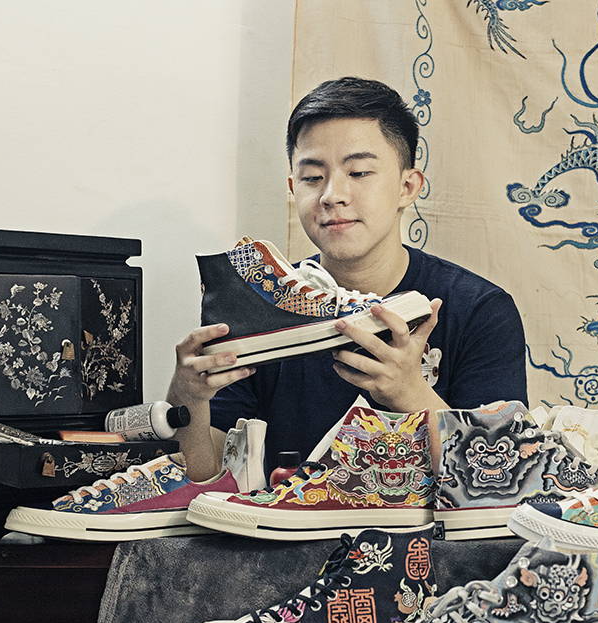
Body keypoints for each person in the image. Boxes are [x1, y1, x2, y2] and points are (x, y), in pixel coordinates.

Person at [167, 77, 527, 481]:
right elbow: (203, 476)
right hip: (282, 521)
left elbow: (505, 475)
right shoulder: (261, 308)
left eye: (358, 172)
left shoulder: (480, 311)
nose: (332, 195)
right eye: (312, 178)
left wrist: (410, 392)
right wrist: (187, 397)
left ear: (407, 187)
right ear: (293, 188)